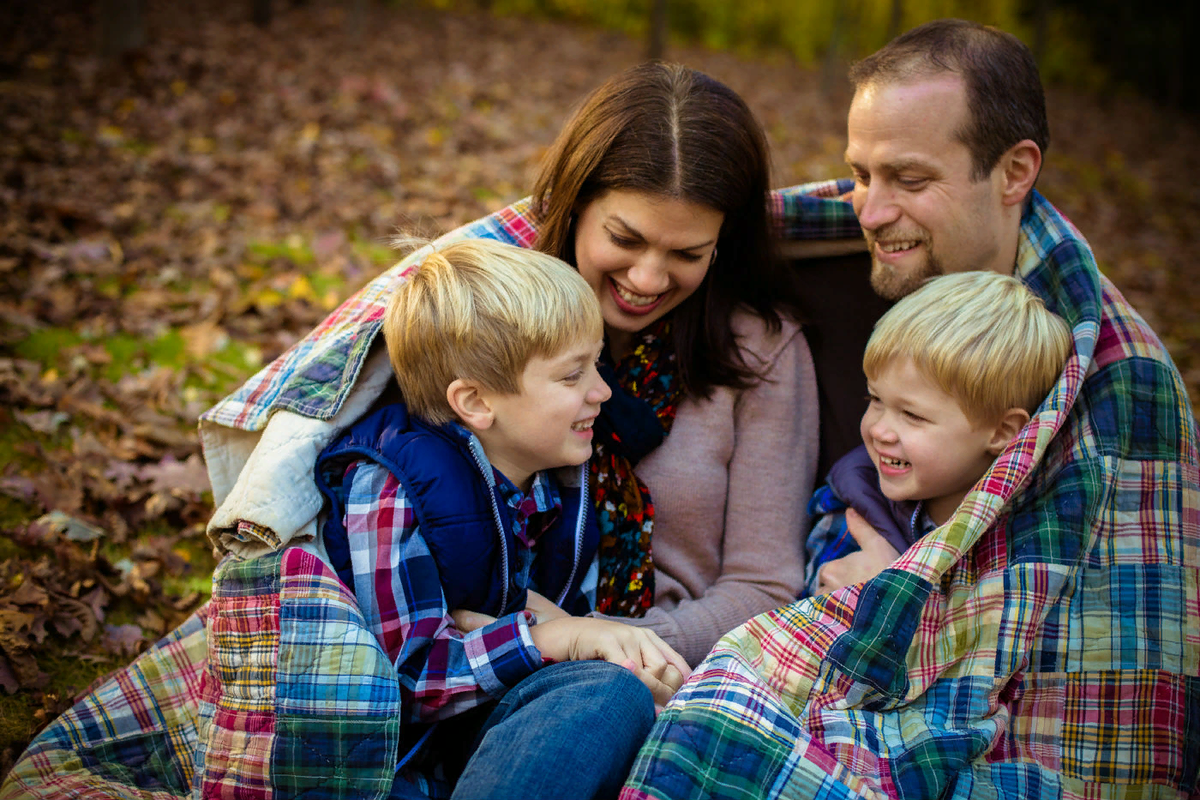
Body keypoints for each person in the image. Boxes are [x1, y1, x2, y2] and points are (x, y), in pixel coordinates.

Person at [3, 62, 859, 797]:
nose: (646, 277)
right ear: (575, 207)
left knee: (613, 709)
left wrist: (622, 648)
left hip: (642, 670)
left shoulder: (756, 348)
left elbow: (761, 585)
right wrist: (549, 633)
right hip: (481, 662)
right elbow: (415, 556)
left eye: (687, 253)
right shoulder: (497, 324)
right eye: (625, 238)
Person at [622, 18, 1199, 800]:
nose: (867, 209)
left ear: (1014, 170)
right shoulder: (836, 247)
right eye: (859, 172)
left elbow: (1116, 707)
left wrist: (900, 602)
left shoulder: (1120, 393)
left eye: (909, 179)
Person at [316, 238, 692, 798]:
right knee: (604, 696)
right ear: (475, 402)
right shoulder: (394, 489)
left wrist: (557, 630)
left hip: (494, 727)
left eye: (596, 364)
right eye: (572, 376)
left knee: (631, 700)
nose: (602, 391)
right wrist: (549, 638)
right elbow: (407, 682)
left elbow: (542, 623)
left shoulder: (553, 482)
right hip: (401, 761)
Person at [803, 271, 1072, 597]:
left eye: (912, 415)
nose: (878, 430)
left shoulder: (1033, 539)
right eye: (875, 399)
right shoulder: (856, 511)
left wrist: (888, 596)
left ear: (1001, 431)